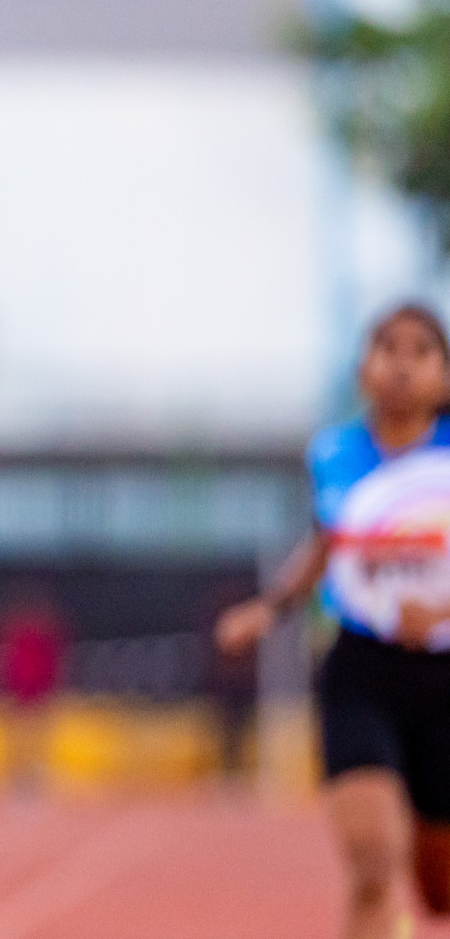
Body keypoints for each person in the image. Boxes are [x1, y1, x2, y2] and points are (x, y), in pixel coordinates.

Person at [217, 303, 450, 939]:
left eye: (420, 351)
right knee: (373, 862)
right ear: (362, 369)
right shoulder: (335, 454)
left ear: (445, 375)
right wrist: (270, 607)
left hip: (444, 678)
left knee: (439, 889)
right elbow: (327, 543)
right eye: (386, 348)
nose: (401, 365)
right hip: (361, 671)